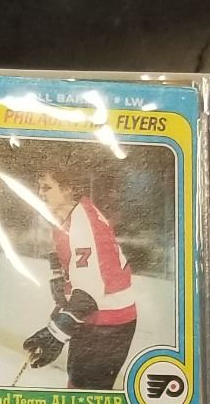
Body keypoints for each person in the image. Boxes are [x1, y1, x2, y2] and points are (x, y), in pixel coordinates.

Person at [19, 158, 138, 391]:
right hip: (94, 316)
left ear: (67, 189)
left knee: (87, 395)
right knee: (76, 386)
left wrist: (55, 333)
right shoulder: (65, 217)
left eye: (47, 187)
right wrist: (62, 295)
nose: (40, 193)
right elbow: (69, 264)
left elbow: (87, 295)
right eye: (39, 187)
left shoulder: (83, 224)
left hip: (110, 322)